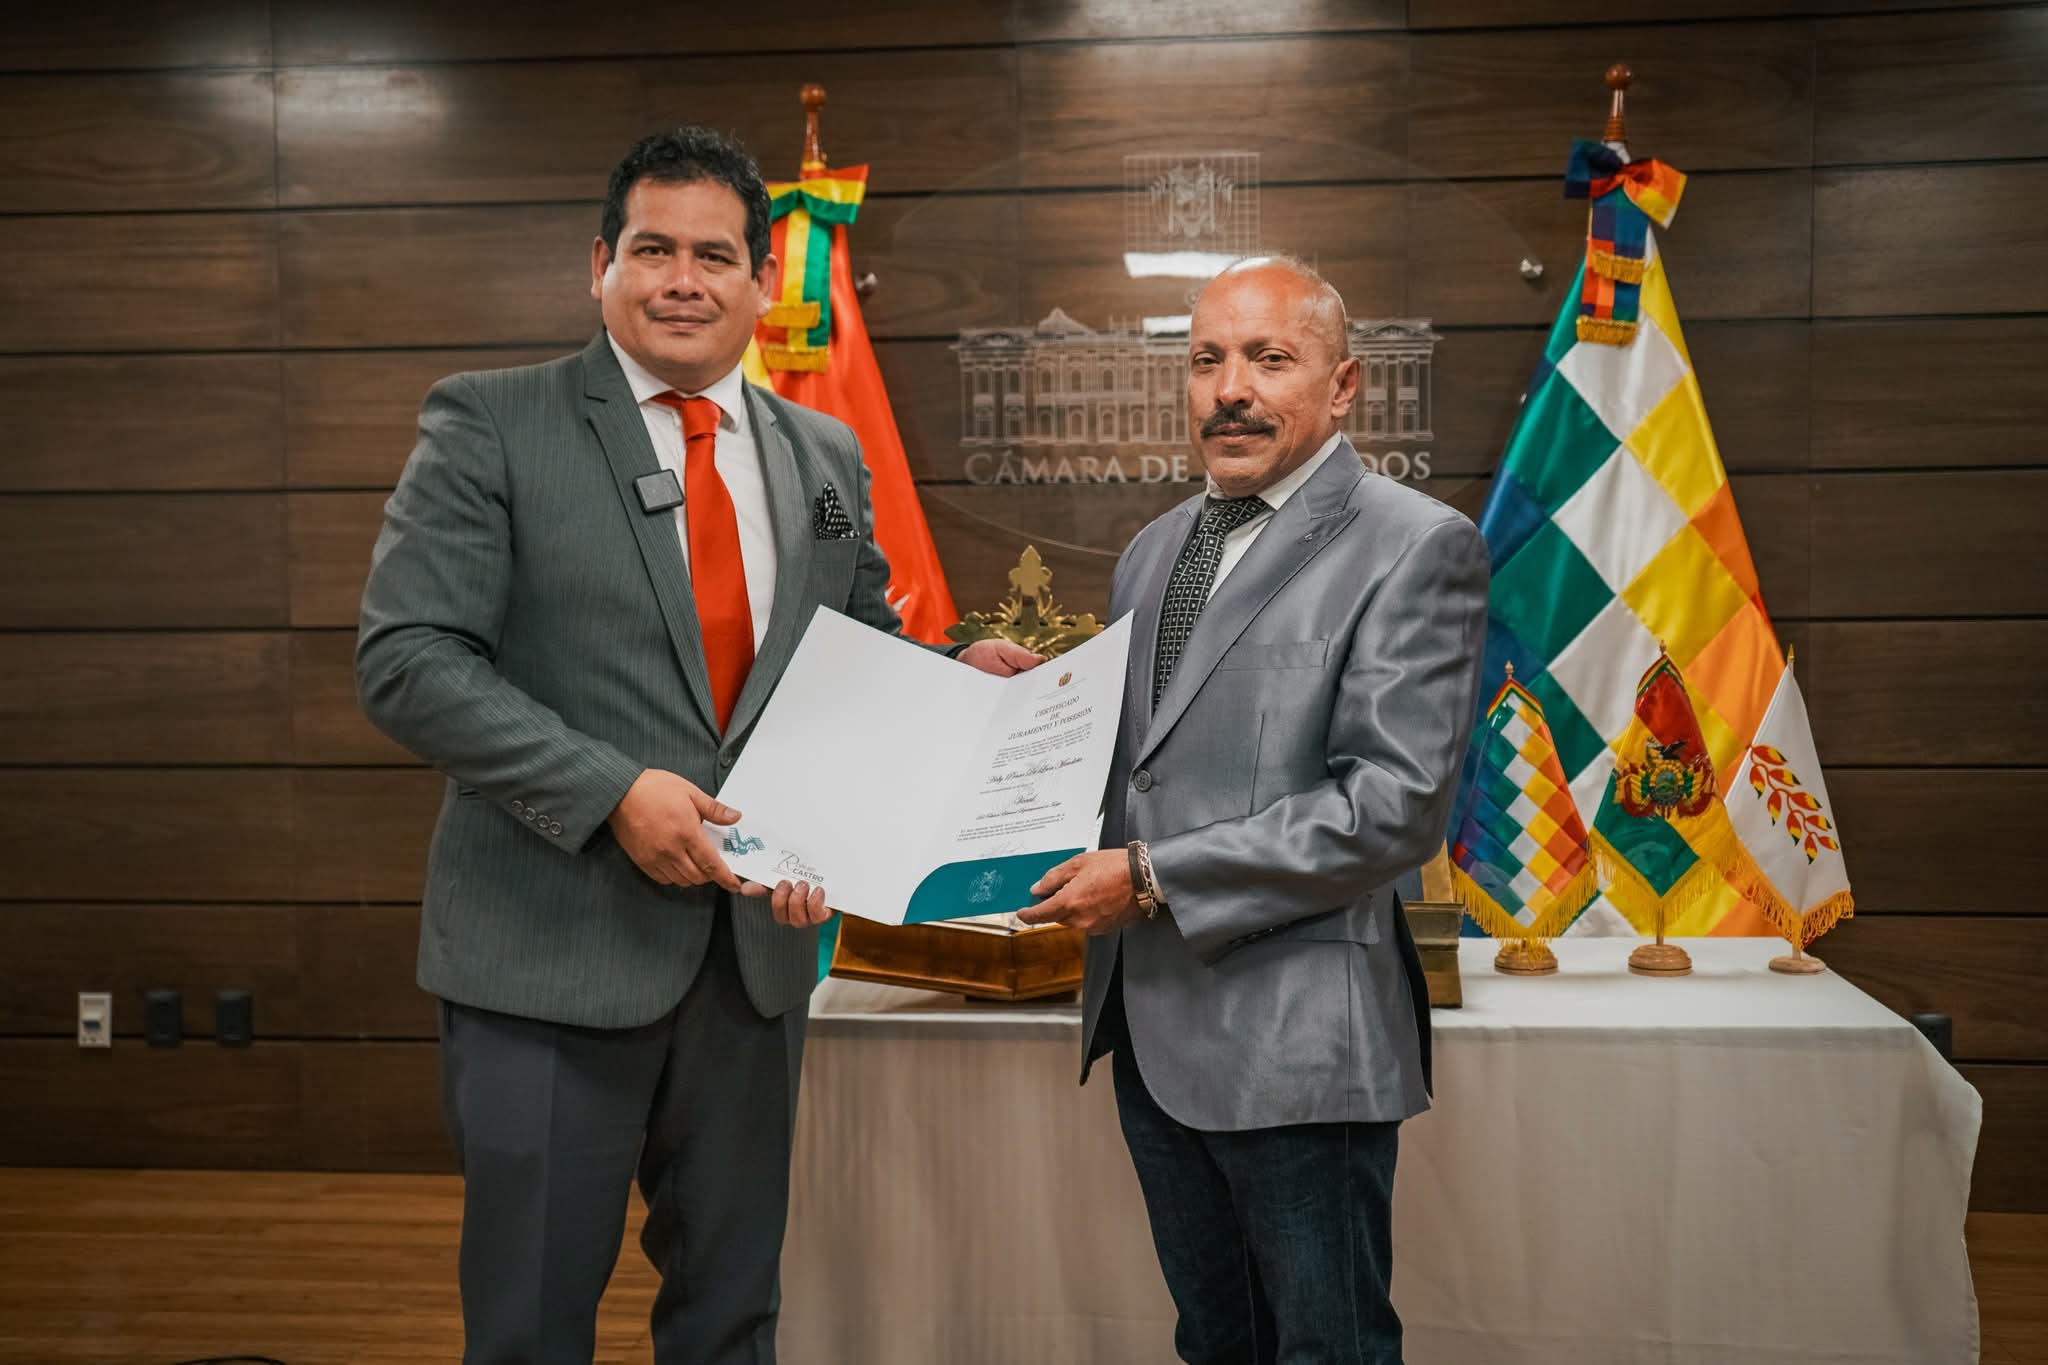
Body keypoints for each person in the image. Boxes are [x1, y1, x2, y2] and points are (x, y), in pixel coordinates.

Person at [356, 126, 1033, 1365]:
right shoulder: (490, 425)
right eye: (652, 249)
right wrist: (611, 790)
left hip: (751, 970)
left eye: (714, 254)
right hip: (548, 963)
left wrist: (951, 675)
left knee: (732, 1318)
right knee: (529, 1326)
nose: (683, 278)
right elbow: (407, 661)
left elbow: (848, 649)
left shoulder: (824, 454)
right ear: (599, 266)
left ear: (762, 282)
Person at [1021, 256, 1490, 1364]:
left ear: (1341, 387)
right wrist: (1018, 709)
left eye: (1268, 359)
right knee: (1213, 1344)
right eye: (1205, 360)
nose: (1229, 387)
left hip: (1298, 1042)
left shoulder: (1413, 545)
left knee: (1326, 1350)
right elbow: (1143, 767)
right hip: (1147, 1027)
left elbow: (1390, 805)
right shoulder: (1150, 552)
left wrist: (1149, 877)